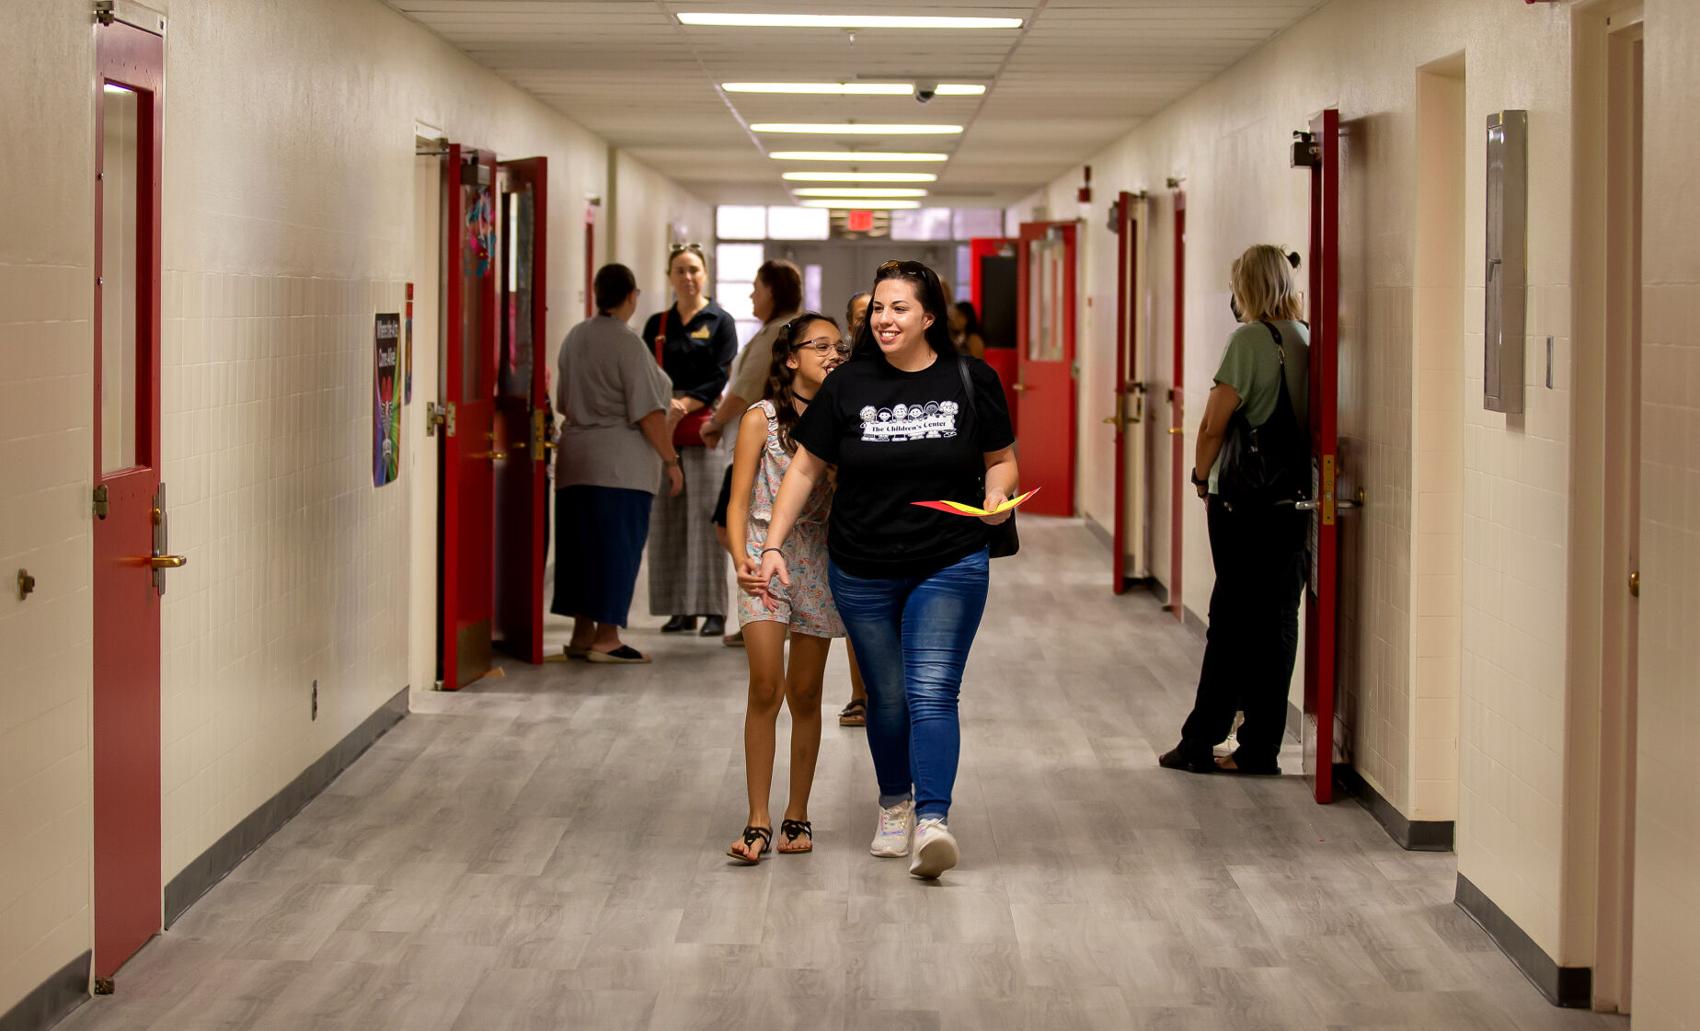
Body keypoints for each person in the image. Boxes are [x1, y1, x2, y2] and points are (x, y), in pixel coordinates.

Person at [754, 259, 1019, 880]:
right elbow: (805, 469)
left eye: (899, 308)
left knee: (931, 689)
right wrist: (772, 544)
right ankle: (894, 802)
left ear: (929, 317)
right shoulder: (848, 386)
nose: (884, 318)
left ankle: (932, 820)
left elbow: (1002, 461)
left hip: (950, 558)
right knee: (888, 697)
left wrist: (994, 496)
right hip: (863, 565)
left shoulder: (970, 378)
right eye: (878, 308)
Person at [1159, 244, 1311, 776]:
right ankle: (1260, 747)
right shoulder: (1305, 336)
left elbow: (1214, 424)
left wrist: (1201, 477)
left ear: (1246, 286)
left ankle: (1200, 739)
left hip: (1243, 502)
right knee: (1277, 622)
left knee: (1229, 620)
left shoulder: (1251, 337)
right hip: (1292, 501)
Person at [724, 313, 851, 863]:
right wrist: (740, 560)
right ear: (791, 358)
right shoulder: (761, 418)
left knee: (805, 694)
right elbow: (737, 500)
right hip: (762, 556)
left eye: (837, 347)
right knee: (765, 686)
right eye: (818, 346)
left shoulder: (845, 419)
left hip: (818, 557)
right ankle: (757, 819)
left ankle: (797, 813)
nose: (831, 354)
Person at [552, 264, 684, 664]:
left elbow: (562, 401)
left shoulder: (575, 337)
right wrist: (671, 461)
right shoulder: (627, 343)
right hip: (619, 468)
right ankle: (607, 637)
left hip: (575, 461)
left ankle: (581, 634)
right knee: (615, 550)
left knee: (579, 552)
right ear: (632, 296)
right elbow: (647, 412)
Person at [705, 261, 805, 647]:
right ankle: (762, 611)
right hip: (763, 443)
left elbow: (744, 390)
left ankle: (764, 610)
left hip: (763, 447)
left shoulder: (779, 333)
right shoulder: (778, 329)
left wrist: (714, 423)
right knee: (738, 526)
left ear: (773, 291)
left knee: (740, 524)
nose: (751, 295)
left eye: (757, 288)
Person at [642, 243, 738, 638]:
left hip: (703, 429)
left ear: (706, 274)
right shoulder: (657, 324)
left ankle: (712, 609)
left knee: (703, 520)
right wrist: (668, 406)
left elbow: (721, 374)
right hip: (665, 430)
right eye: (680, 270)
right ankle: (679, 609)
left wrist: (686, 402)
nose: (688, 277)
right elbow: (646, 372)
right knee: (667, 521)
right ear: (669, 277)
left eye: (694, 270)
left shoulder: (720, 321)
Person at [836, 290, 873, 727]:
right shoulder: (839, 374)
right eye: (861, 317)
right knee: (856, 612)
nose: (869, 324)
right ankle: (859, 694)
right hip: (844, 501)